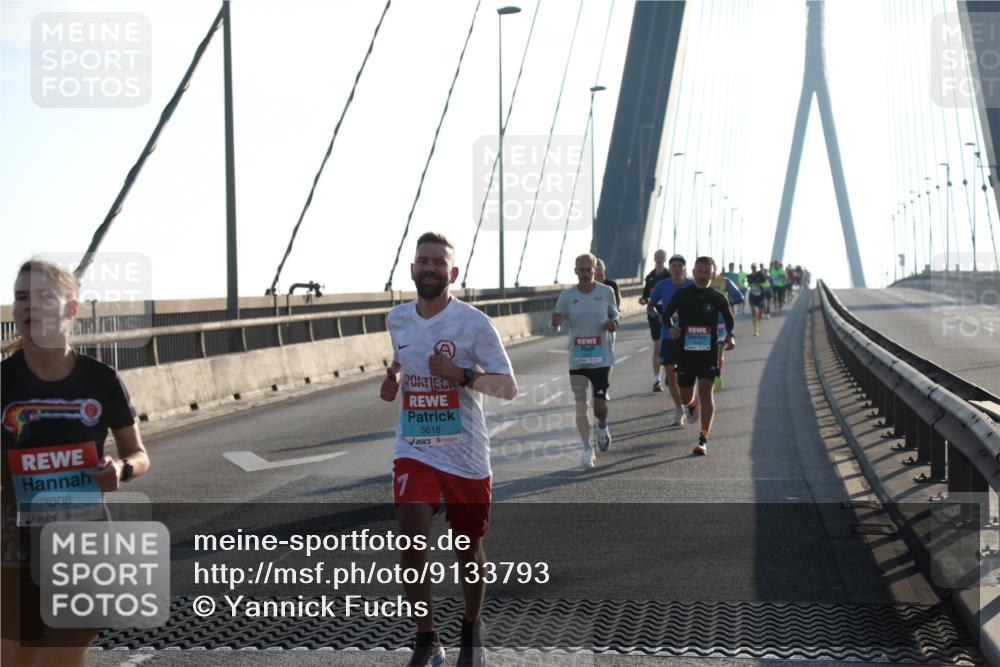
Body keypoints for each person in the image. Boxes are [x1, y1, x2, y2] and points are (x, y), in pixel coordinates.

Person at [2, 260, 150, 667]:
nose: (31, 306)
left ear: (71, 310)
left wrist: (119, 470)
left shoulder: (101, 380)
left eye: (45, 297)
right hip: (14, 548)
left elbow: (138, 455)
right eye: (21, 298)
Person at [380, 232, 517, 667]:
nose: (430, 268)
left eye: (439, 262)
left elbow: (508, 387)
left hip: (465, 453)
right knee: (411, 537)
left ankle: (472, 629)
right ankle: (427, 640)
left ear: (452, 273)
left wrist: (461, 375)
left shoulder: (474, 323)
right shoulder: (397, 319)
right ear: (412, 269)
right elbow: (403, 363)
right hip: (415, 447)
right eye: (423, 261)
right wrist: (395, 381)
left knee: (468, 549)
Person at [662, 256, 735, 456]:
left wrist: (730, 337)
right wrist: (670, 329)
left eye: (707, 272)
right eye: (699, 272)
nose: (703, 276)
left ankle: (703, 439)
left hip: (709, 352)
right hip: (685, 352)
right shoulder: (682, 294)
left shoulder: (719, 297)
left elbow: (729, 321)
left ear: (713, 274)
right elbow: (666, 315)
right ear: (693, 273)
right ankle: (691, 405)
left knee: (706, 391)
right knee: (686, 395)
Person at [552, 253, 620, 468]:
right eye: (580, 270)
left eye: (588, 270)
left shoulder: (606, 292)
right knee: (581, 406)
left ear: (595, 270)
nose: (585, 274)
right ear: (575, 271)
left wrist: (613, 324)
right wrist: (555, 323)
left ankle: (602, 424)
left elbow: (615, 315)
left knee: (599, 406)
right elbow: (557, 323)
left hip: (601, 358)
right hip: (578, 360)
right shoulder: (566, 296)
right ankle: (587, 450)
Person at [647, 255, 694, 426]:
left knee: (689, 374)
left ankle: (689, 402)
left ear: (684, 269)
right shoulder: (661, 285)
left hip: (690, 335)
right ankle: (679, 409)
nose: (676, 269)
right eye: (673, 266)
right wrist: (660, 318)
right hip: (668, 334)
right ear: (670, 268)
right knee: (672, 377)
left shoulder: (692, 285)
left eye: (679, 266)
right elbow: (650, 306)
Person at [639, 249, 671, 392]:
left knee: (668, 345)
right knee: (657, 346)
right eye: (657, 257)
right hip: (653, 314)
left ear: (665, 260)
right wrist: (643, 300)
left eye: (662, 257)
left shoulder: (669, 275)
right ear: (654, 258)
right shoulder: (650, 277)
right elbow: (646, 296)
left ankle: (670, 373)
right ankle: (657, 380)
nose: (659, 259)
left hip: (668, 313)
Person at [746, 263, 768, 336]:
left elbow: (767, 284)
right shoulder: (749, 276)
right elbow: (747, 285)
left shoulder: (760, 274)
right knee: (753, 311)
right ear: (751, 268)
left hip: (760, 296)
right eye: (752, 267)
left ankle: (758, 324)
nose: (753, 269)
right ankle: (756, 329)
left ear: (756, 268)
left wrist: (760, 285)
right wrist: (745, 284)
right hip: (752, 296)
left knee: (760, 314)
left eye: (755, 267)